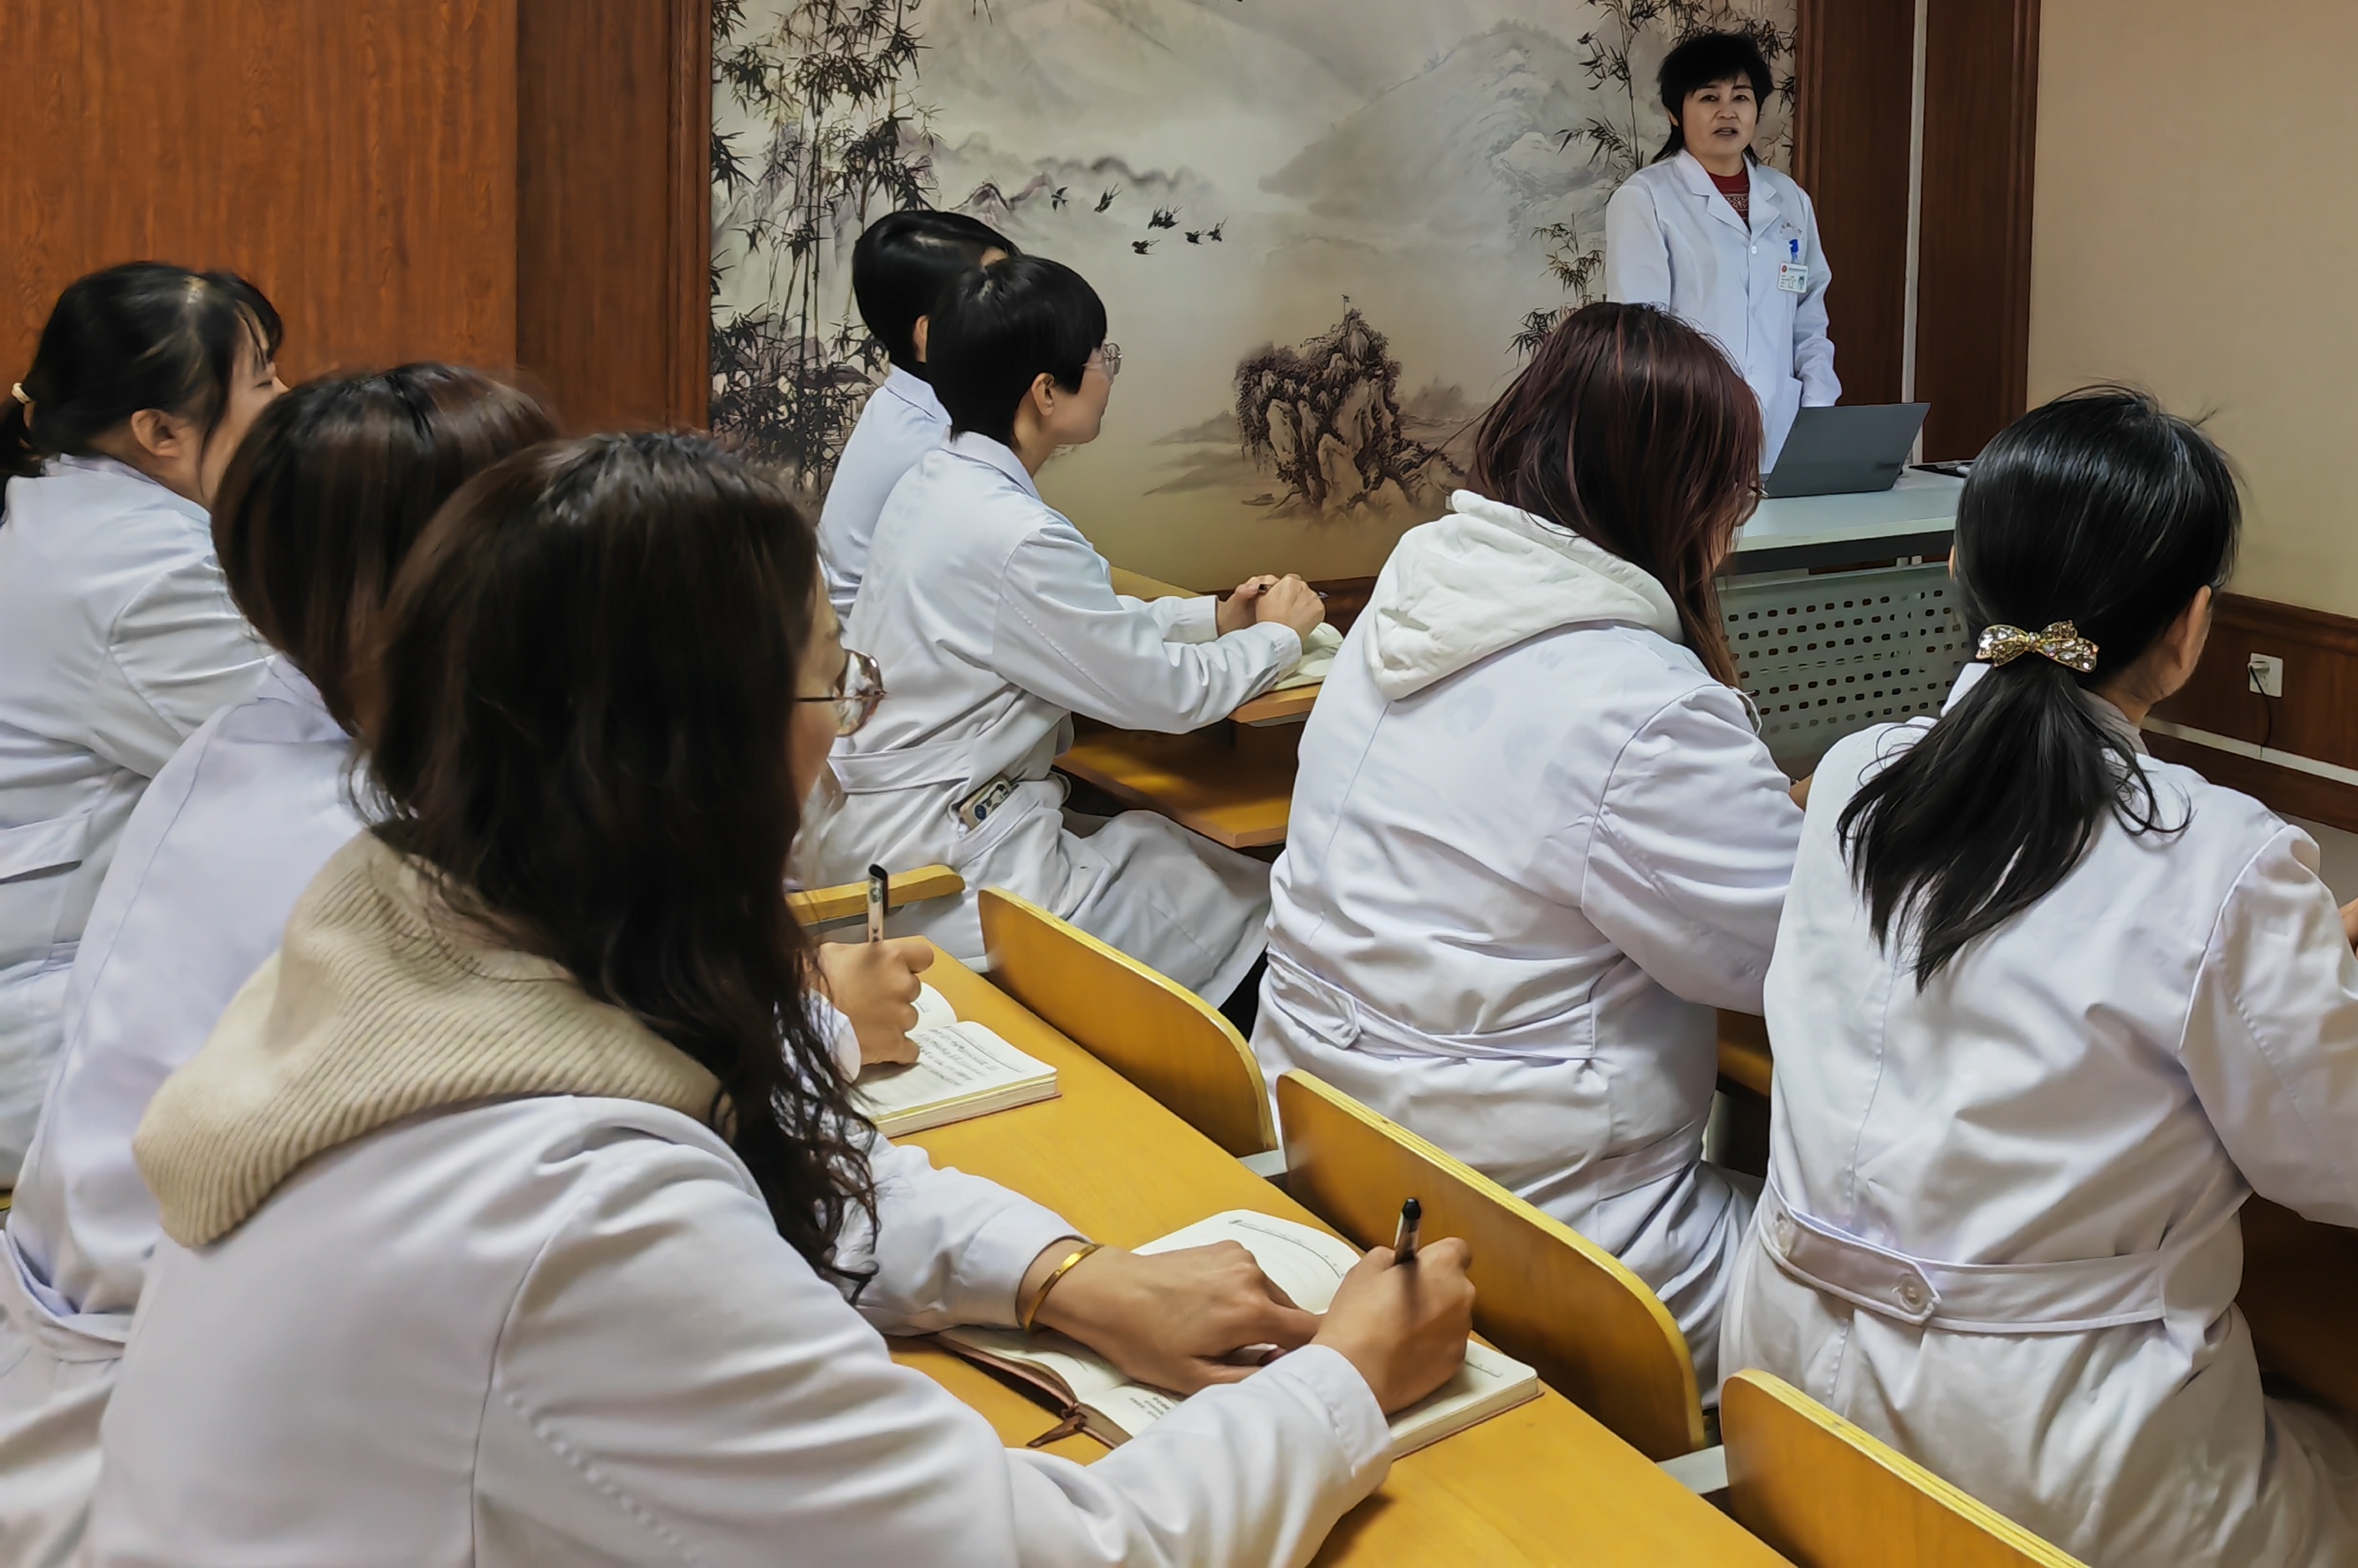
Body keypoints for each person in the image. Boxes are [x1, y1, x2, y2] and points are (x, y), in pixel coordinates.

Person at [91, 431, 1476, 1567]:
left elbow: (768, 1160)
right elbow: (1042, 1552)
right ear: (705, 758)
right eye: (834, 685)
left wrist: (1061, 1275)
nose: (845, 747)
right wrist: (1344, 1381)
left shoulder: (426, 937)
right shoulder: (573, 1210)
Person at [1725, 389, 2358, 1568]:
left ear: (1956, 572)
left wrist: (2299, 973)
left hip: (1787, 1395)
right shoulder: (2215, 857)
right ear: (2190, 630)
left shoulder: (1853, 779)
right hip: (2042, 1464)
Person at [0, 365, 555, 1561]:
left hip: (119, 1372)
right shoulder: (361, 844)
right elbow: (590, 1108)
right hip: (189, 1447)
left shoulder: (263, 739)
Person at [1256, 301, 1799, 1390]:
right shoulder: (1637, 702)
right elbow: (1791, 952)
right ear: (1682, 496)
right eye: (1736, 494)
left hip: (1339, 1151)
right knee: (1899, 1310)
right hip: (1541, 1234)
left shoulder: (1418, 591)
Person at [815, 257, 1322, 1010]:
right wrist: (1278, 639)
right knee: (1251, 904)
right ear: (1046, 392)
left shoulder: (935, 483)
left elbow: (1066, 627)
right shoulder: (1015, 534)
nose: (1108, 372)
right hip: (944, 860)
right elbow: (1164, 695)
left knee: (1172, 853)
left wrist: (1213, 619)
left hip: (894, 828)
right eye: (1099, 356)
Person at [0, 266, 284, 1162]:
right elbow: (295, 763)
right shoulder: (143, 572)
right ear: (159, 432)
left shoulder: (63, 506)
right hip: (55, 1045)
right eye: (263, 380)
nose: (287, 400)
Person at [1601, 28, 1839, 470]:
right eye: (1709, 97)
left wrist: (1819, 405)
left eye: (1741, 97)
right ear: (1675, 113)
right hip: (1687, 424)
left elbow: (1808, 318)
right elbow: (1642, 332)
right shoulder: (1645, 198)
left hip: (1780, 426)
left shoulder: (1789, 199)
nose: (1727, 112)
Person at [821, 209, 1012, 615]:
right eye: (995, 295)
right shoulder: (938, 446)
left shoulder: (901, 403)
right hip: (874, 641)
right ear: (929, 334)